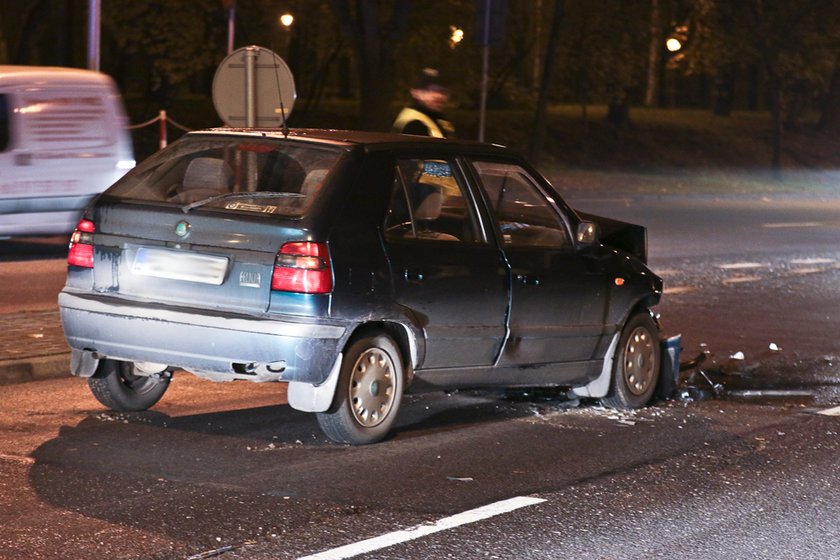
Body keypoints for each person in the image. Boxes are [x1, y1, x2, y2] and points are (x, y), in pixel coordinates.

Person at [392, 68, 456, 138]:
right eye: (431, 90)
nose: (438, 96)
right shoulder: (414, 123)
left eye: (443, 91)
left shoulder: (439, 119)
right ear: (415, 92)